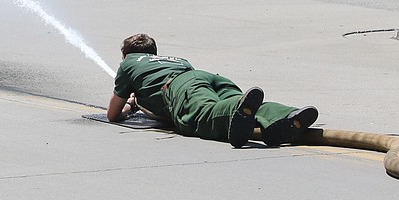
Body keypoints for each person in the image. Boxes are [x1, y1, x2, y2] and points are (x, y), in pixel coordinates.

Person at [105, 33, 318, 147]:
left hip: (179, 86)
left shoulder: (129, 62)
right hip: (206, 77)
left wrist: (131, 105)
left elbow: (113, 115)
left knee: (202, 114)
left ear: (126, 54)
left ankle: (236, 108)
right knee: (247, 104)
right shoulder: (177, 60)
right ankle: (287, 114)